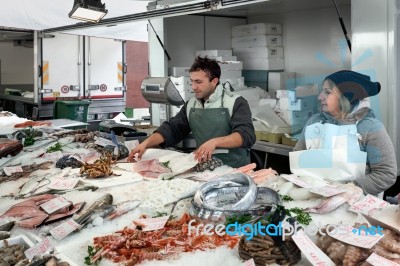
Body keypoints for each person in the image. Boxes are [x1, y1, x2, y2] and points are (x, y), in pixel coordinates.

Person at [127, 56, 256, 168]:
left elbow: (246, 135)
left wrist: (215, 142)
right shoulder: (191, 104)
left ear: (214, 81)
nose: (194, 87)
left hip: (234, 169)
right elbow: (172, 129)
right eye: (192, 81)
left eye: (199, 82)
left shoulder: (236, 102)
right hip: (205, 168)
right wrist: (146, 143)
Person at [291, 70, 397, 196]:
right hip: (313, 197)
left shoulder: (370, 128)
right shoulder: (314, 122)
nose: (320, 97)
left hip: (356, 204)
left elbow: (386, 174)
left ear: (346, 98)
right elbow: (298, 158)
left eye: (327, 92)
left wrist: (351, 188)